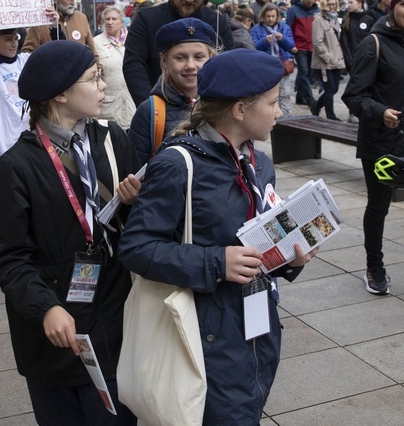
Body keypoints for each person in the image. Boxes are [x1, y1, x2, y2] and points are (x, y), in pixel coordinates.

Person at [118, 49, 318, 425]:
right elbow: (136, 247)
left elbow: (253, 243)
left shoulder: (259, 162)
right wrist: (216, 262)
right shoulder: (178, 164)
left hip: (256, 327)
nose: (280, 112)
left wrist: (288, 258)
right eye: (274, 103)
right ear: (240, 110)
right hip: (204, 335)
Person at [0, 40, 141, 425]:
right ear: (60, 93)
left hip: (116, 310)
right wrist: (46, 308)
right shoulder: (18, 166)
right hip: (57, 330)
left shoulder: (113, 139)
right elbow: (11, 259)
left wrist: (134, 201)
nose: (104, 85)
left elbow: (140, 224)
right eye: (94, 78)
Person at [342, 0, 404, 296]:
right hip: (382, 144)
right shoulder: (374, 42)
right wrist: (380, 111)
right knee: (379, 208)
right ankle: (375, 267)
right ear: (391, 6)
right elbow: (354, 95)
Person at [123, 0, 235, 107]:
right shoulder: (146, 19)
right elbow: (133, 65)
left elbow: (229, 66)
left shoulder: (217, 22)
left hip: (208, 109)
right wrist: (151, 107)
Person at [128, 17, 217, 164]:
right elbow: (135, 171)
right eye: (180, 58)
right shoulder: (151, 112)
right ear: (164, 61)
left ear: (211, 58)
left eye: (199, 57)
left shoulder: (223, 105)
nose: (190, 65)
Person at [22, 0, 97, 59]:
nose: (73, 2)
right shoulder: (41, 20)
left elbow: (92, 48)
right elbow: (27, 52)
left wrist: (98, 67)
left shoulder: (81, 18)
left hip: (79, 70)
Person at [94, 5, 136, 130]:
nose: (110, 22)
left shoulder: (134, 40)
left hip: (133, 104)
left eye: (114, 19)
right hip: (109, 108)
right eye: (107, 19)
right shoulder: (96, 43)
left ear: (122, 21)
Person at [251, 3, 297, 117]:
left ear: (277, 16)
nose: (271, 19)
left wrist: (282, 38)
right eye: (268, 16)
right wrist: (264, 41)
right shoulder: (257, 28)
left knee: (285, 94)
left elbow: (291, 46)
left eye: (273, 16)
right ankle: (268, 117)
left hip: (282, 65)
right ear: (263, 16)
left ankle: (287, 118)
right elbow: (253, 47)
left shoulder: (284, 27)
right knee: (268, 95)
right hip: (265, 67)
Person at [309, 0, 345, 121]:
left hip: (336, 60)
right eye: (329, 4)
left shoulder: (335, 19)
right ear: (324, 5)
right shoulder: (319, 20)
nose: (331, 7)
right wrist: (328, 57)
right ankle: (330, 116)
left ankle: (316, 106)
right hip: (324, 61)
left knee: (334, 89)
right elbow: (317, 42)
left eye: (333, 4)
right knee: (330, 89)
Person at [340, 0, 374, 124]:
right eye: (348, 2)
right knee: (355, 86)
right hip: (352, 60)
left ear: (359, 4)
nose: (349, 5)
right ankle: (353, 112)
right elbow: (344, 41)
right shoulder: (347, 20)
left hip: (367, 59)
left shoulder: (369, 19)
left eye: (351, 2)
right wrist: (349, 60)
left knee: (367, 86)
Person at [286, 0, 319, 106]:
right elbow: (288, 28)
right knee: (304, 72)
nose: (310, 5)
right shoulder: (293, 10)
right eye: (308, 2)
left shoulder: (316, 10)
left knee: (307, 73)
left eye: (312, 2)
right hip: (299, 46)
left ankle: (300, 96)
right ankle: (310, 99)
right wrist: (291, 45)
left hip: (312, 46)